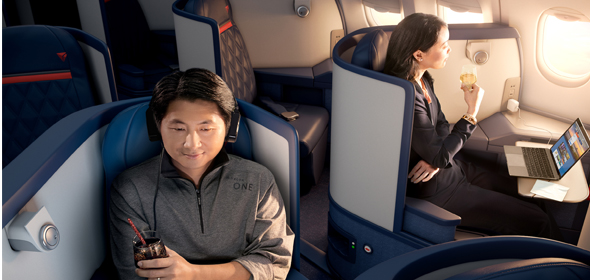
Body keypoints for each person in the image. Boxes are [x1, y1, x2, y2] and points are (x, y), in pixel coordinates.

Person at [383, 13, 560, 239]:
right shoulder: (407, 95)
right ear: (419, 54)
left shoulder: (423, 79)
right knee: (539, 221)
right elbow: (438, 152)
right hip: (438, 191)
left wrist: (438, 159)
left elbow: (442, 126)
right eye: (444, 45)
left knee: (532, 197)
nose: (449, 50)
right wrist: (471, 112)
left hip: (453, 170)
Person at [109, 68, 295, 280]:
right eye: (179, 129)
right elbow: (136, 273)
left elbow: (274, 260)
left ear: (230, 128)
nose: (192, 144)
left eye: (205, 129)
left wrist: (194, 274)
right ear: (156, 127)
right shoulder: (130, 188)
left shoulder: (259, 180)